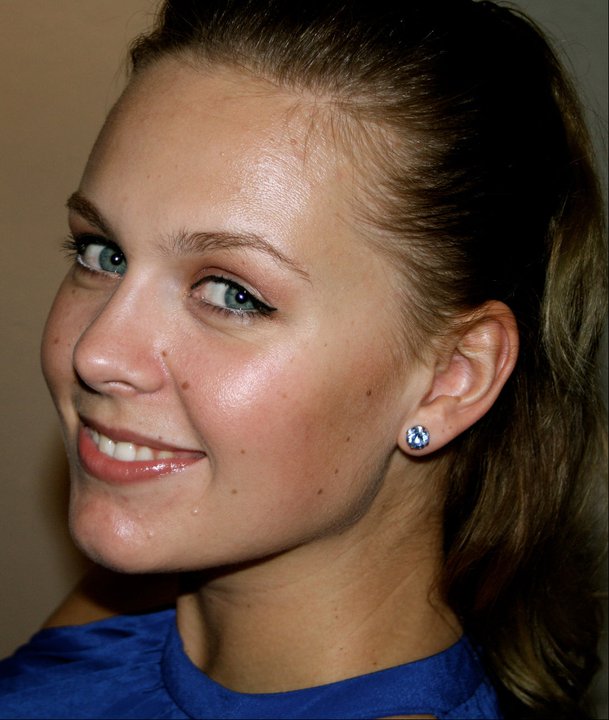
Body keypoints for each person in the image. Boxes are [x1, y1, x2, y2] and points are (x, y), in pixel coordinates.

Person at [0, 0, 606, 718]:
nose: (97, 352)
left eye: (233, 294)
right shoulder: (130, 604)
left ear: (451, 378)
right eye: (102, 253)